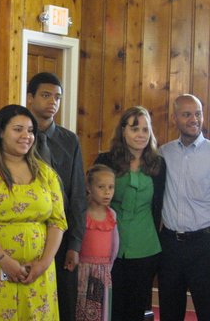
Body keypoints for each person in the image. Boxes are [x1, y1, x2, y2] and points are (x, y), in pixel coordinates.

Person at [0, 104, 67, 320]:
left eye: (31, 130)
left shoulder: (46, 174)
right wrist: (5, 262)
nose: (26, 136)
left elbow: (58, 222)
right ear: (1, 132)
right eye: (18, 129)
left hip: (39, 274)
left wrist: (43, 263)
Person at [94, 106, 165, 321]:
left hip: (146, 247)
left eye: (145, 129)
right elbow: (94, 202)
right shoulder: (106, 160)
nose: (141, 135)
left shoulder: (158, 164)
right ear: (123, 130)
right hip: (110, 246)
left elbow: (158, 206)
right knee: (110, 308)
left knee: (135, 309)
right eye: (135, 129)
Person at [26, 72, 87, 321]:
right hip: (27, 233)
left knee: (64, 303)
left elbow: (77, 195)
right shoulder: (17, 135)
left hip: (60, 235)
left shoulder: (69, 140)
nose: (53, 102)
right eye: (46, 95)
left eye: (58, 97)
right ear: (30, 98)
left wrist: (74, 244)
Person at [158, 94, 210, 320]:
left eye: (198, 113)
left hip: (204, 246)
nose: (194, 119)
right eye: (187, 114)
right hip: (169, 246)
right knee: (170, 311)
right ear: (174, 118)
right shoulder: (163, 153)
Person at [76, 164, 118, 321]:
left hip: (103, 272)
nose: (107, 192)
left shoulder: (112, 215)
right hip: (82, 272)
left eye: (111, 187)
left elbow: (114, 246)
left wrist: (106, 268)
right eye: (101, 187)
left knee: (100, 311)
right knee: (82, 309)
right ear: (89, 187)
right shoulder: (82, 214)